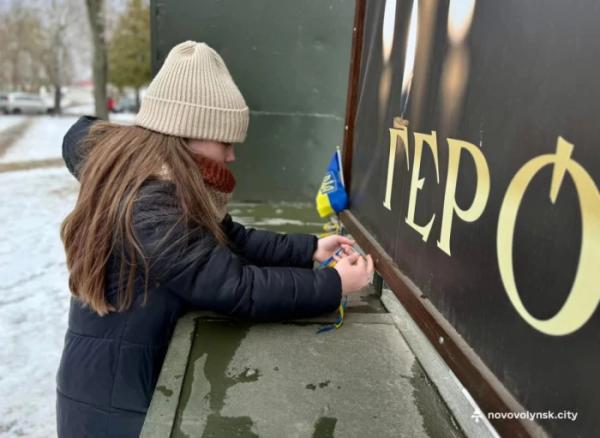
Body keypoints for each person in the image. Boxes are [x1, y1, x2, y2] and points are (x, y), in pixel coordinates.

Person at [56, 41, 374, 437]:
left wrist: (308, 249)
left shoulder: (153, 180)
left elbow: (228, 239)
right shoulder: (152, 207)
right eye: (225, 142)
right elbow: (236, 287)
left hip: (123, 374)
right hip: (113, 406)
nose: (231, 156)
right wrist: (334, 283)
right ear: (187, 134)